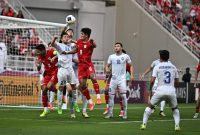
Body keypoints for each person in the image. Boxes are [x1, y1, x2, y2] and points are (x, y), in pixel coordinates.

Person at [140, 50, 181, 131]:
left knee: (150, 106)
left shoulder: (157, 66)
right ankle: (177, 125)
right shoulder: (173, 67)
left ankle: (144, 124)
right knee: (175, 109)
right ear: (168, 57)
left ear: (160, 57)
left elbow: (152, 81)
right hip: (171, 91)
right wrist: (173, 88)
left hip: (160, 91)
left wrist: (150, 89)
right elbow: (177, 82)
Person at [66, 28, 100, 112]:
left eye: (82, 34)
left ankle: (98, 97)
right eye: (81, 34)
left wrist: (93, 42)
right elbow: (75, 49)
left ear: (86, 35)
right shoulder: (79, 42)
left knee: (93, 77)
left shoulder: (90, 42)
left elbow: (95, 45)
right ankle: (91, 102)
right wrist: (67, 52)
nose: (81, 35)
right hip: (81, 66)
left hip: (88, 64)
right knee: (83, 85)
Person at [51, 32, 78, 118]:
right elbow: (52, 44)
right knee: (61, 87)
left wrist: (72, 40)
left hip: (70, 69)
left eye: (67, 37)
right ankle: (59, 106)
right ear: (62, 39)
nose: (66, 38)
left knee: (74, 87)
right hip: (62, 69)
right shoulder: (59, 45)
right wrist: (54, 38)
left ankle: (75, 104)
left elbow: (78, 47)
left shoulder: (71, 44)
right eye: (65, 37)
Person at [105, 42, 133, 119]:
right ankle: (110, 113)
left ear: (121, 48)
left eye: (118, 46)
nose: (116, 47)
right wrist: (107, 70)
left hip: (122, 79)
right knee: (111, 96)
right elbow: (107, 66)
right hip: (113, 80)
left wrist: (131, 75)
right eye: (115, 46)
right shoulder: (111, 56)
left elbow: (130, 66)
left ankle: (125, 113)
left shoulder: (125, 56)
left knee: (123, 96)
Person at [141, 50, 167, 117]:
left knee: (163, 96)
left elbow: (172, 68)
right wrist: (144, 74)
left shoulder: (168, 62)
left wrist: (178, 70)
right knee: (153, 94)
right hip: (156, 80)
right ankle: (153, 107)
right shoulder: (155, 62)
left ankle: (161, 111)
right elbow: (150, 68)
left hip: (163, 81)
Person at [34, 44, 58, 117]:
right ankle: (45, 109)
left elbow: (60, 54)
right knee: (44, 89)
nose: (37, 53)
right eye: (37, 52)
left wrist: (55, 57)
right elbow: (39, 69)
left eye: (38, 52)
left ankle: (56, 92)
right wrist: (38, 66)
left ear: (43, 50)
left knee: (49, 86)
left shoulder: (51, 51)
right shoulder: (40, 56)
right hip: (47, 73)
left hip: (56, 71)